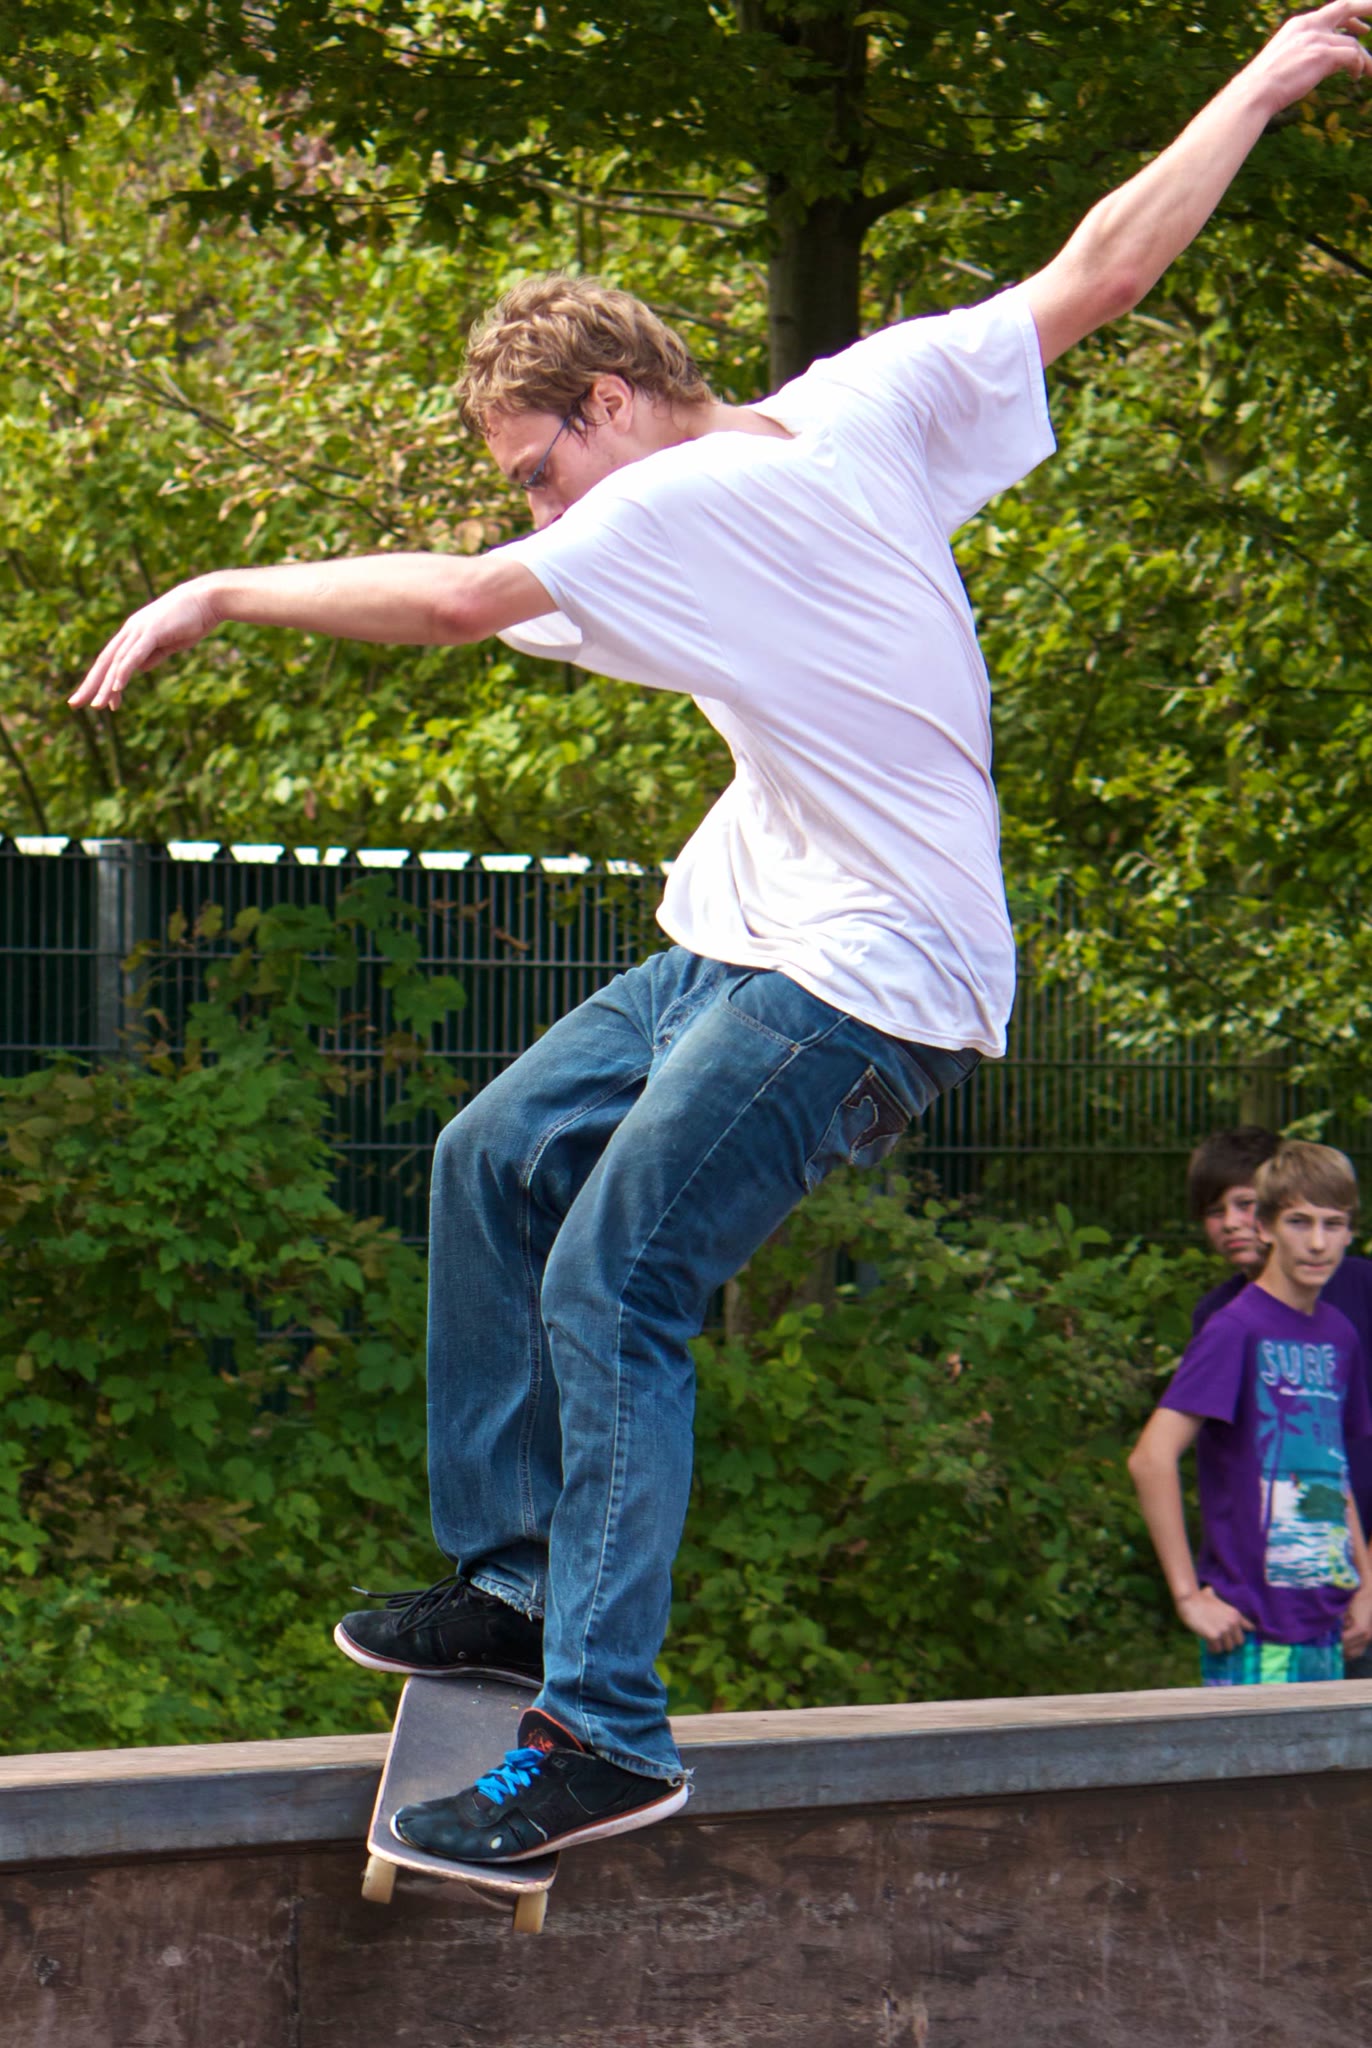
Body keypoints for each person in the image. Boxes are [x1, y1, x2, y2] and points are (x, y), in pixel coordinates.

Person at [70, 7, 1372, 1859]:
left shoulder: (685, 492)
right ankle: (519, 1577)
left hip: (869, 977)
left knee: (615, 1283)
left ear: (610, 400)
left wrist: (217, 588)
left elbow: (456, 602)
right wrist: (1258, 77)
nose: (540, 509)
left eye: (538, 467)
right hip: (750, 936)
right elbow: (1100, 271)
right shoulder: (860, 396)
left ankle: (604, 1728)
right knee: (489, 1154)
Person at [1130, 1143, 1372, 1684]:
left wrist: (1365, 1586)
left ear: (1350, 1233)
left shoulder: (1340, 1334)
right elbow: (1150, 1458)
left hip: (1331, 1624)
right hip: (1253, 1629)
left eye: (1333, 1224)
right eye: (1298, 1222)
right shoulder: (1234, 1329)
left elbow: (1333, 1469)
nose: (1317, 1242)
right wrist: (1188, 1596)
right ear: (1264, 1227)